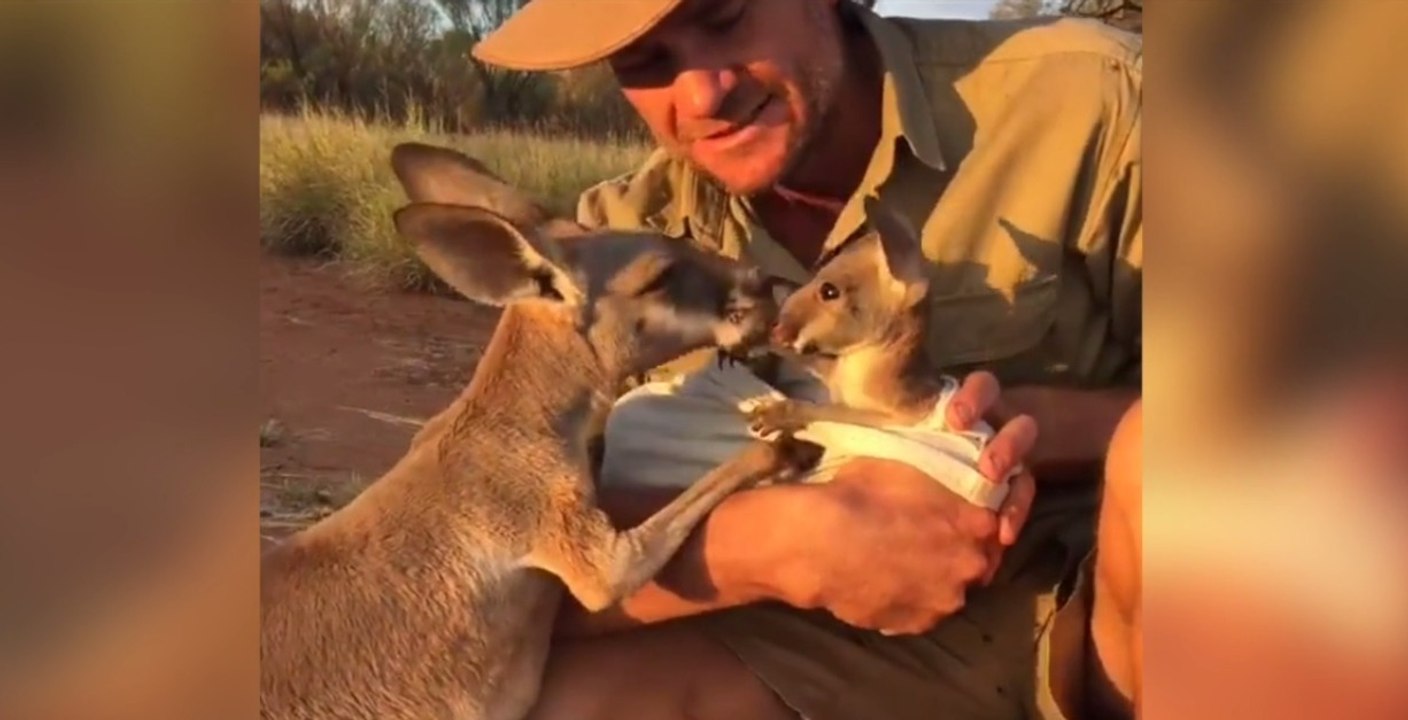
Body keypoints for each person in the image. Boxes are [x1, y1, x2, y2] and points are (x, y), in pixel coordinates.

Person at [471, 0, 1142, 718]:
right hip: (805, 651)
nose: (702, 94)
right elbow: (495, 552)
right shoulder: (618, 247)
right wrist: (780, 545)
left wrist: (1017, 429)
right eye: (646, 62)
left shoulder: (1087, 102)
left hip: (1104, 621)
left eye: (726, 16)